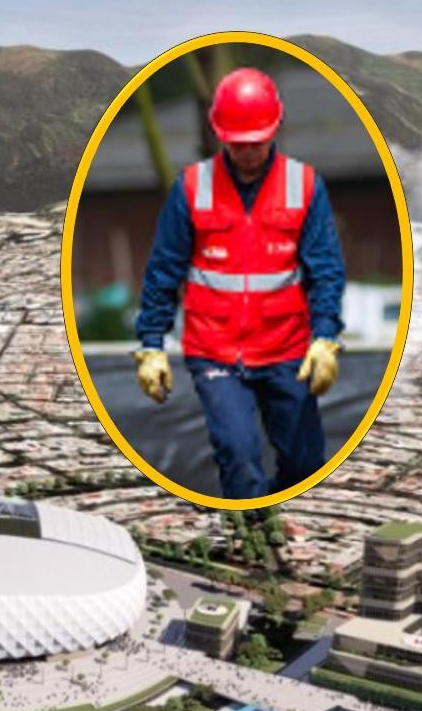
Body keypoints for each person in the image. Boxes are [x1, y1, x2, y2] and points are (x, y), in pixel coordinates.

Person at [131, 66, 347, 500]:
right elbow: (163, 270)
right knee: (238, 451)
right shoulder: (192, 188)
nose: (248, 152)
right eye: (238, 144)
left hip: (286, 350)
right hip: (215, 353)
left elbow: (325, 269)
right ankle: (248, 533)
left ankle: (278, 515)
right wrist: (152, 345)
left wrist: (324, 338)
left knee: (305, 464)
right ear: (220, 135)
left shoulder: (303, 186)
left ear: (275, 130)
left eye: (256, 142)